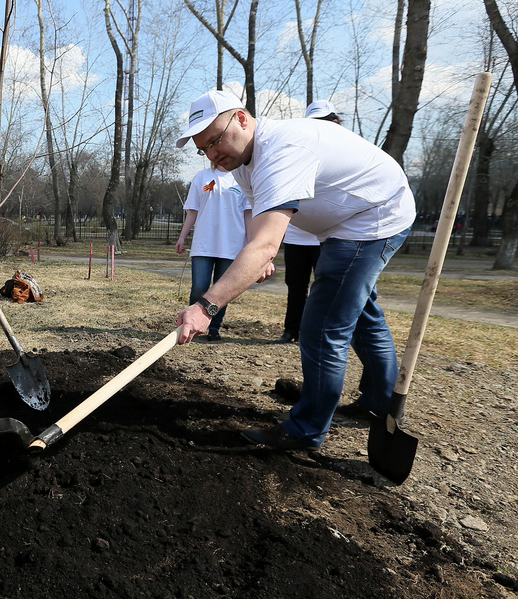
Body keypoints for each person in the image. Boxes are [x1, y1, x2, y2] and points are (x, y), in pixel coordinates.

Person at [173, 89, 415, 454]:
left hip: (373, 218)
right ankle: (378, 403)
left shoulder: (283, 150)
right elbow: (261, 226)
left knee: (320, 326)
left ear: (241, 118)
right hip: (344, 222)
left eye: (215, 140)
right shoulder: (241, 163)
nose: (212, 154)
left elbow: (266, 244)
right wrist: (260, 253)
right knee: (360, 313)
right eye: (203, 148)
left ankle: (304, 431)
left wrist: (206, 306)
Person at [273, 100, 343, 344]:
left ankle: (319, 335)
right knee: (295, 286)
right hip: (296, 238)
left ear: (335, 123)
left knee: (325, 289)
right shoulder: (298, 151)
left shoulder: (341, 155)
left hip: (325, 238)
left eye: (323, 122)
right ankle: (292, 330)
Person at [175, 162, 251, 341]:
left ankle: (214, 328)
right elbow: (192, 212)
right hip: (203, 244)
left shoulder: (243, 180)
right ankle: (192, 324)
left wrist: (251, 242)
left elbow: (248, 214)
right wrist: (182, 237)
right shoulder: (201, 177)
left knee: (221, 290)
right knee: (199, 287)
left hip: (231, 245)